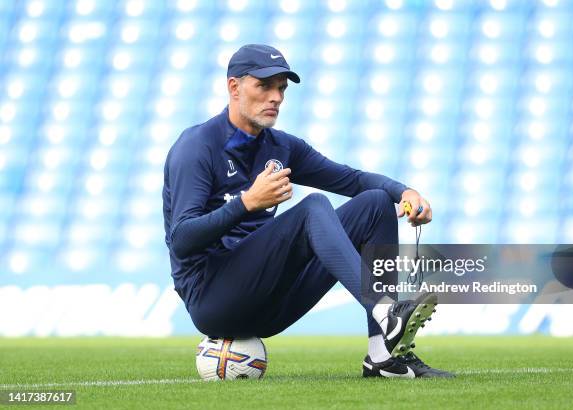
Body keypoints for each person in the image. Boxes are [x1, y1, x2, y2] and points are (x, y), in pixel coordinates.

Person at [163, 44, 454, 378]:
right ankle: (386, 312)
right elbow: (182, 240)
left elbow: (352, 179)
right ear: (234, 87)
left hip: (268, 301)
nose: (276, 97)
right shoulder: (197, 146)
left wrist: (404, 191)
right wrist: (247, 203)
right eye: (264, 86)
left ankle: (382, 357)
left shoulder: (281, 146)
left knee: (375, 203)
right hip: (213, 300)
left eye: (281, 89)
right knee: (313, 207)